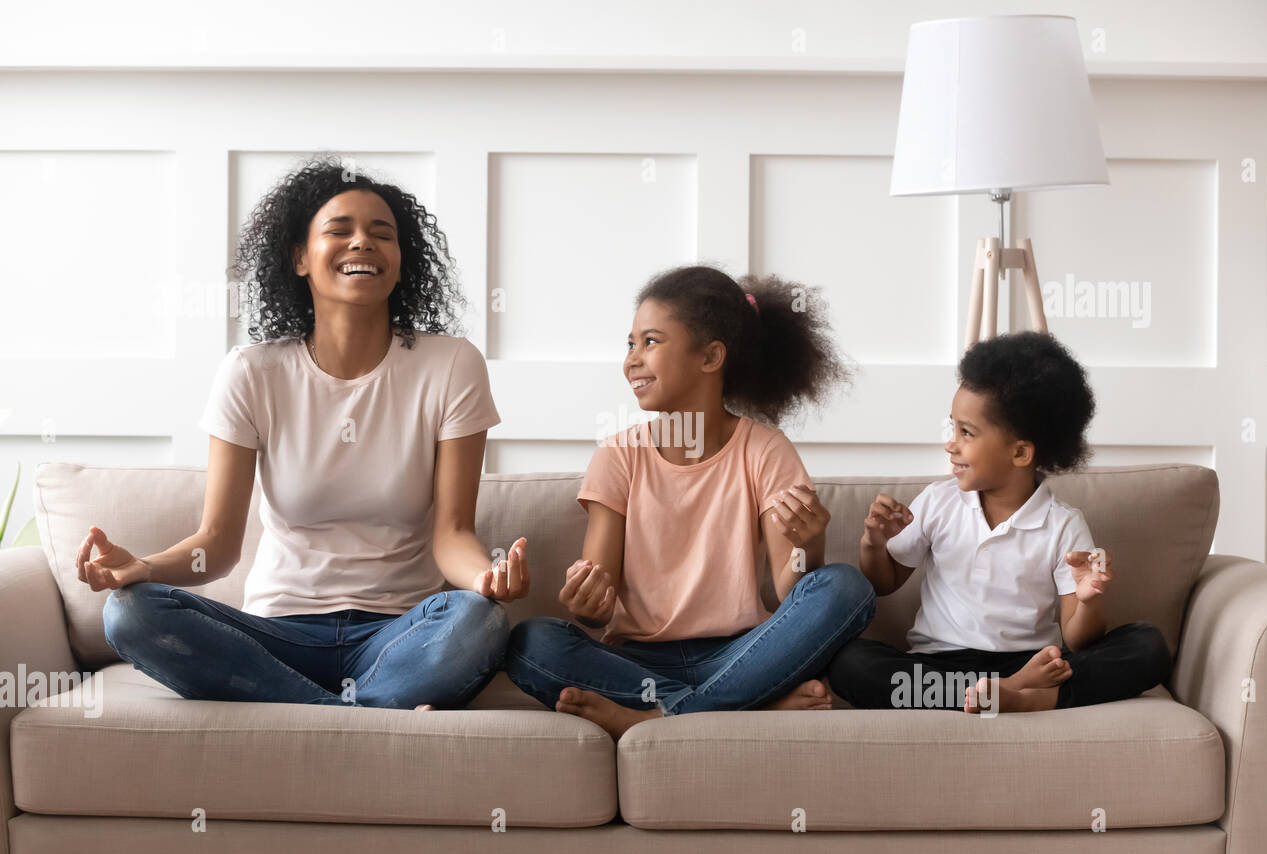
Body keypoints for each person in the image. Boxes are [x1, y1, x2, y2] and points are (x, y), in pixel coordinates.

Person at [90, 155, 528, 710]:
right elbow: (217, 547)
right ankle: (362, 715)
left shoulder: (452, 365)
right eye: (339, 230)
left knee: (480, 619)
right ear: (299, 257)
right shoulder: (252, 371)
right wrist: (143, 567)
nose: (362, 243)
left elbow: (452, 535)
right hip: (277, 635)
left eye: (382, 234)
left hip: (398, 634)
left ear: (400, 262)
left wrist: (485, 579)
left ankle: (315, 714)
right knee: (129, 611)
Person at [506, 264, 876, 739]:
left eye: (651, 342)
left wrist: (813, 543)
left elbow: (789, 594)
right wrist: (586, 604)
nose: (631, 360)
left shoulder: (765, 450)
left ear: (710, 357)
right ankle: (745, 708)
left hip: (745, 652)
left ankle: (664, 717)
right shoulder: (619, 455)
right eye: (630, 344)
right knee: (531, 642)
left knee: (846, 586)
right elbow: (596, 610)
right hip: (635, 660)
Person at [828, 331, 1172, 714]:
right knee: (850, 663)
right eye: (952, 428)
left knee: (1148, 645)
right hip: (940, 664)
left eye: (966, 432)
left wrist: (1089, 601)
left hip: (1031, 663)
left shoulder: (1062, 524)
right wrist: (874, 542)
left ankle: (1024, 690)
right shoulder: (939, 501)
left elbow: (1079, 640)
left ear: (1020, 452)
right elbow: (882, 582)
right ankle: (1011, 693)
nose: (950, 444)